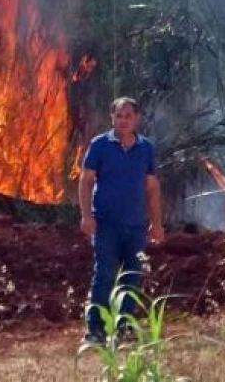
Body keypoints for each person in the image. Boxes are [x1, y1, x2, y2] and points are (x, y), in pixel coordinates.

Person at [79, 96, 164, 345]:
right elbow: (85, 181)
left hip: (136, 225)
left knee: (132, 276)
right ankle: (95, 329)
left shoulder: (145, 148)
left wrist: (156, 223)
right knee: (104, 274)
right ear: (112, 118)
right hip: (105, 223)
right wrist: (85, 215)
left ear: (136, 119)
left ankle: (125, 327)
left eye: (128, 116)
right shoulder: (99, 145)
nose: (123, 121)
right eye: (119, 116)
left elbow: (151, 187)